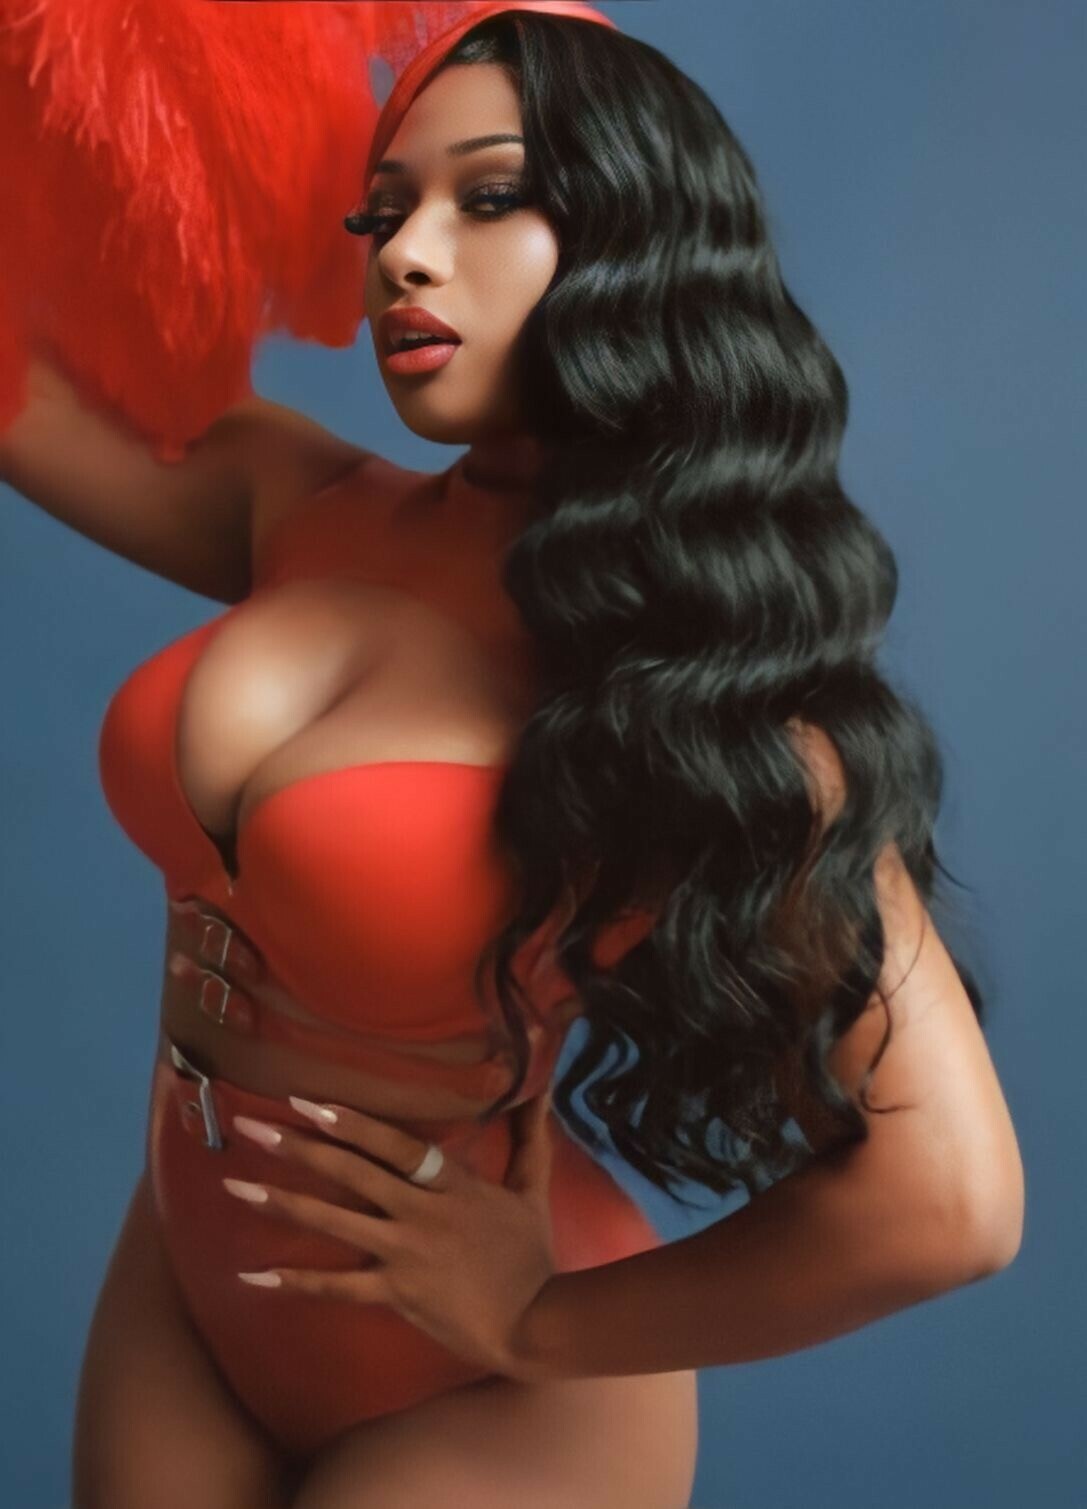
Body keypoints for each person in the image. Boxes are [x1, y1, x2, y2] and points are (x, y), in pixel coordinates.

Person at [0, 4, 1023, 1507]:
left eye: (489, 198)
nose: (406, 256)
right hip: (184, 1296)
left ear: (637, 240)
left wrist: (537, 1322)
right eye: (384, 208)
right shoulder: (297, 503)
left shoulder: (689, 691)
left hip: (477, 1392)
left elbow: (955, 1200)